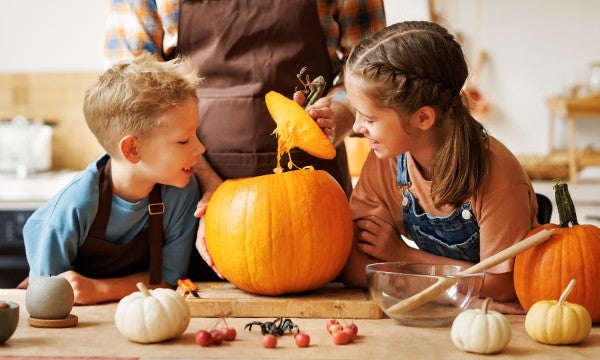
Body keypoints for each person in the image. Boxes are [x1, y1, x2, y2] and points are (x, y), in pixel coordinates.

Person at [105, 0, 386, 280]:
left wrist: (338, 114)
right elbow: (132, 95)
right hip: (193, 190)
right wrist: (207, 181)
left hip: (315, 195)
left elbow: (373, 70)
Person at [339, 21, 539, 314]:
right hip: (445, 314)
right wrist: (456, 294)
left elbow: (502, 285)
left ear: (423, 118)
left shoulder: (497, 175)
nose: (357, 127)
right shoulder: (386, 160)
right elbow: (356, 267)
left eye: (369, 118)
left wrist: (403, 256)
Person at [22, 53, 205, 304]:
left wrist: (99, 289)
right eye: (183, 140)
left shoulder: (181, 190)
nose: (201, 148)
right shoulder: (74, 206)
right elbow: (47, 298)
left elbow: (169, 279)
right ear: (132, 149)